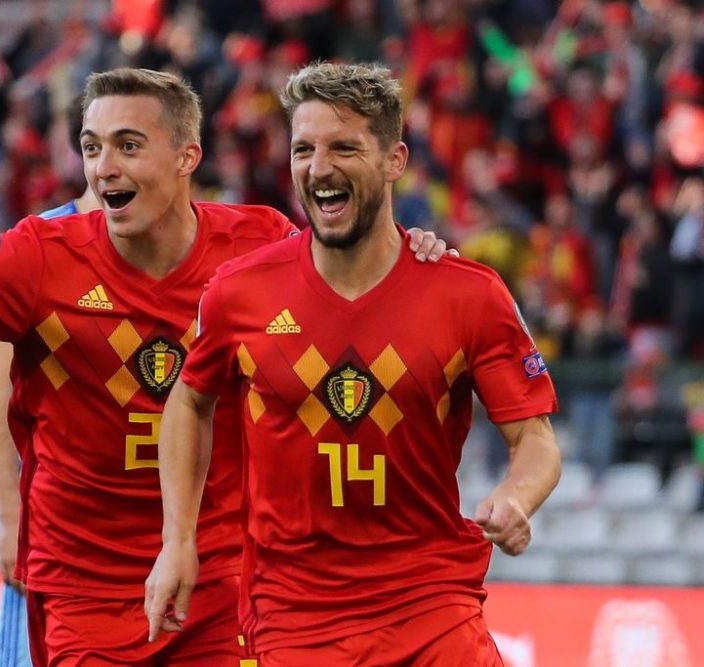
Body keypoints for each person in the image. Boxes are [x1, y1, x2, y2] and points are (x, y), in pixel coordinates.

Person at [0, 67, 449, 666]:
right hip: (83, 588)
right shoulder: (35, 258)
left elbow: (360, 285)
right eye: (92, 147)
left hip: (223, 576)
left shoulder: (259, 244)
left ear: (187, 158)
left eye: (129, 146)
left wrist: (414, 251)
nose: (105, 167)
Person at [144, 62, 561, 665]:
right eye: (303, 149)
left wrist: (517, 498)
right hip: (292, 618)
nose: (319, 168)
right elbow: (189, 399)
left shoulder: (469, 295)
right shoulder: (240, 293)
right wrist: (177, 539)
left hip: (431, 606)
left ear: (394, 161)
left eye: (344, 148)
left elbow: (536, 438)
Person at [0, 98, 100, 667]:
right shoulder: (36, 245)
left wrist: (412, 245)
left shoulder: (198, 246)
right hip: (54, 534)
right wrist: (10, 517)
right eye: (100, 144)